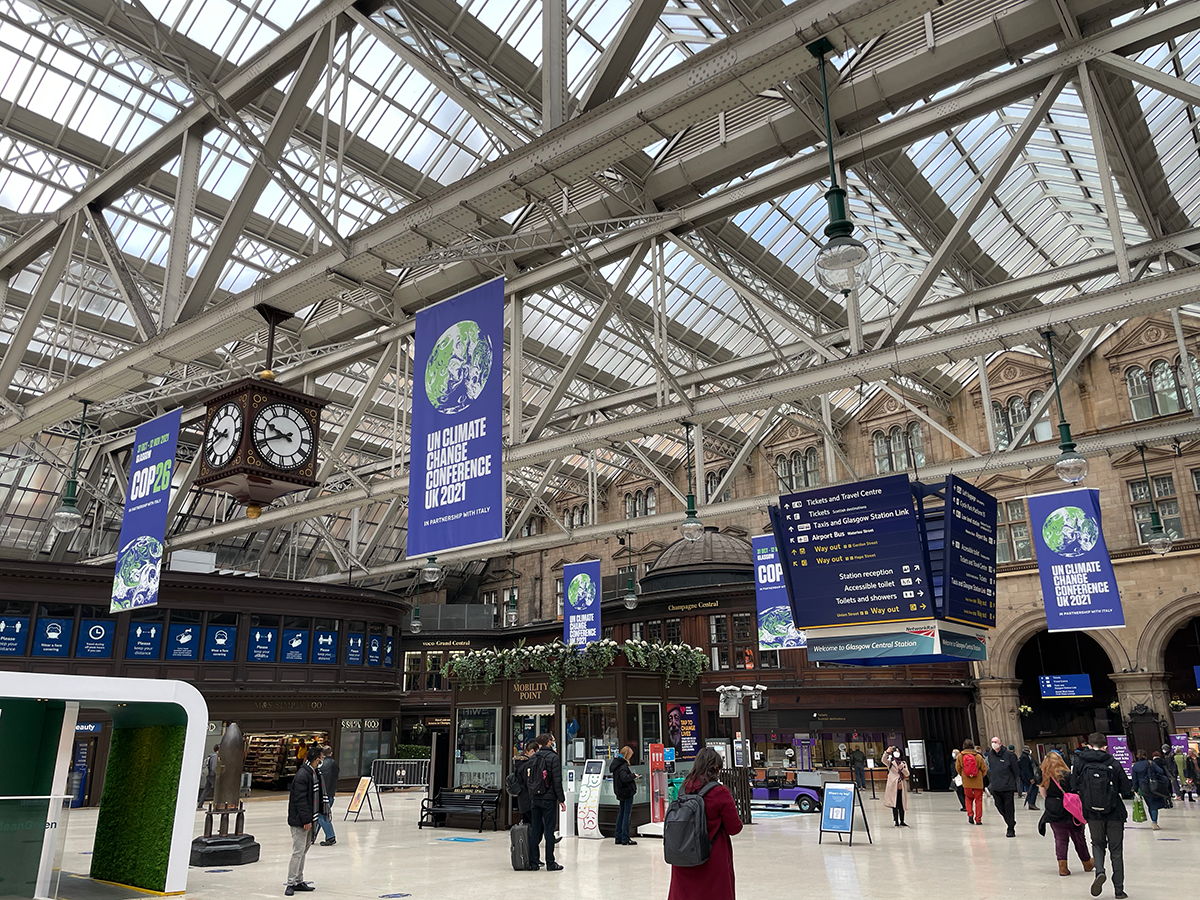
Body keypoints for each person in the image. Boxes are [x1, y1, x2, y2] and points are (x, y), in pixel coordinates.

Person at [667, 747, 743, 900]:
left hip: (683, 856)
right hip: (711, 858)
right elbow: (734, 828)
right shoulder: (719, 792)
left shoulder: (683, 788)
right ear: (716, 768)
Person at [1073, 732, 1133, 899]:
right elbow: (1126, 788)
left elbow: (1073, 785)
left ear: (1089, 745)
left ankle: (1099, 871)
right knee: (1116, 850)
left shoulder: (1080, 762)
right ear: (1105, 746)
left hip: (1092, 812)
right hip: (1114, 812)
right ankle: (1119, 890)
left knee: (1097, 844)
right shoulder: (1113, 762)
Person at [1037, 750, 1093, 877]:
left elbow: (1043, 794)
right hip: (1070, 810)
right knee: (1078, 837)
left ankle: (1063, 867)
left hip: (1053, 810)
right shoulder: (1068, 774)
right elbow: (1076, 790)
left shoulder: (1044, 776)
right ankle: (1087, 863)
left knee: (1060, 839)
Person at [286, 743, 323, 895]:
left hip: (309, 819)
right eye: (321, 758)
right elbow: (300, 800)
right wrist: (306, 820)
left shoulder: (313, 773)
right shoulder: (303, 775)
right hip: (300, 820)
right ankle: (290, 882)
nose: (322, 760)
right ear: (316, 759)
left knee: (303, 851)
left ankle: (298, 880)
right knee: (298, 851)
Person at [528, 733, 565, 872]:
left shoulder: (533, 758)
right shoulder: (553, 758)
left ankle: (533, 862)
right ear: (549, 742)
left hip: (535, 798)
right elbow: (557, 780)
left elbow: (529, 779)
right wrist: (561, 799)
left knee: (535, 829)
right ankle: (550, 862)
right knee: (549, 831)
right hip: (548, 799)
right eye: (553, 741)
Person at [986, 736, 1021, 837]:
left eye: (995, 742)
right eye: (992, 742)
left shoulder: (1009, 755)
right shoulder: (990, 755)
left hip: (1007, 786)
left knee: (1009, 807)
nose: (993, 743)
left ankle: (1010, 828)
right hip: (996, 786)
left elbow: (1016, 770)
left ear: (1000, 743)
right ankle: (1010, 821)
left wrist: (1012, 781)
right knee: (999, 805)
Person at [610, 745, 640, 846]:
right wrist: (633, 776)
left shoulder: (616, 764)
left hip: (620, 792)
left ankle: (618, 837)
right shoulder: (623, 765)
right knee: (626, 815)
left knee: (621, 814)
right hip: (627, 792)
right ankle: (625, 838)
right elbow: (624, 777)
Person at [1131, 749, 1167, 831]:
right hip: (1153, 786)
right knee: (1154, 805)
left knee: (1150, 804)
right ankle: (1154, 821)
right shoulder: (1151, 763)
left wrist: (1135, 789)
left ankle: (1153, 821)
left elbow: (1134, 779)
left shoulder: (1135, 766)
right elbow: (1160, 771)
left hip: (1143, 788)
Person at [957, 739, 988, 825]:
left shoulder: (960, 756)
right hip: (978, 782)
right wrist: (980, 776)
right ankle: (978, 819)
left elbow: (958, 768)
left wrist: (963, 775)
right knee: (978, 800)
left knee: (968, 798)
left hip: (967, 782)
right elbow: (984, 769)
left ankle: (970, 814)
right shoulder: (978, 756)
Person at [316, 745, 338, 847]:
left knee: (321, 815)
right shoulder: (334, 764)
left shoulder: (319, 764)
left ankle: (330, 836)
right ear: (331, 753)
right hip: (329, 793)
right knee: (322, 814)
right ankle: (313, 835)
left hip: (321, 793)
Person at [883, 746, 909, 826]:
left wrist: (902, 769)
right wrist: (886, 752)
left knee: (902, 804)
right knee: (894, 804)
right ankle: (896, 821)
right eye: (895, 751)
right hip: (893, 786)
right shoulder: (890, 762)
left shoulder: (903, 763)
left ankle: (902, 820)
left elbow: (907, 774)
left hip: (902, 786)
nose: (897, 753)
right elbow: (883, 760)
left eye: (898, 751)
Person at [197, 743, 220, 809]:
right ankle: (217, 804)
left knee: (207, 789)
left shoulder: (211, 756)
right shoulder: (215, 757)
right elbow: (214, 767)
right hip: (213, 776)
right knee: (218, 789)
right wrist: (218, 773)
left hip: (209, 775)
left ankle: (200, 804)